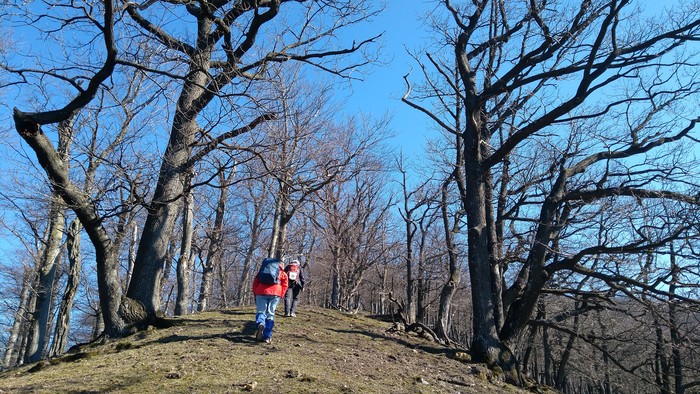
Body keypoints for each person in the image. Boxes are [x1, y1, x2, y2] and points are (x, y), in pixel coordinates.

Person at [252, 258, 288, 343]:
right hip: (275, 292)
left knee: (261, 311)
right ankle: (267, 336)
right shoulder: (282, 273)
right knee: (270, 314)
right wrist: (281, 294)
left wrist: (255, 293)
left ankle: (261, 323)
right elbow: (285, 285)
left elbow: (255, 283)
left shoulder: (262, 271)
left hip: (261, 292)